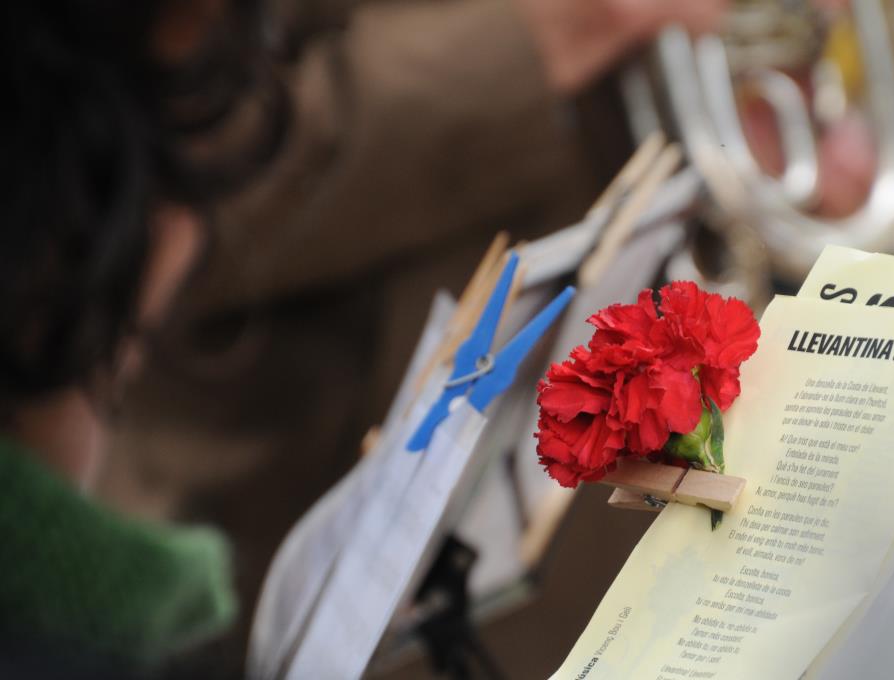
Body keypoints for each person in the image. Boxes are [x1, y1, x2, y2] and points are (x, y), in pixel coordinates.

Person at [1, 0, 725, 675]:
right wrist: (564, 30)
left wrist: (754, 136)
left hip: (598, 509)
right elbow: (141, 139)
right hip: (287, 483)